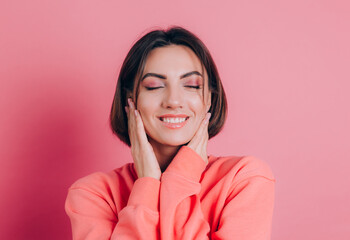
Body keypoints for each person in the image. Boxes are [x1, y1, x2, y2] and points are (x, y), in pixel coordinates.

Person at [65, 26, 275, 240]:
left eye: (192, 85)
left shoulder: (243, 179)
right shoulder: (93, 195)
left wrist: (183, 174)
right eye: (154, 86)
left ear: (210, 98)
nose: (173, 101)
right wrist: (147, 183)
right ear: (130, 98)